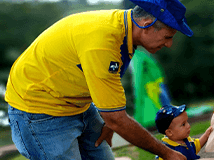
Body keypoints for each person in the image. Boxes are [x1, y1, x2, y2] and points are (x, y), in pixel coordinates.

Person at [6, 0, 194, 159]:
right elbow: (117, 119)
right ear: (145, 23)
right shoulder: (104, 42)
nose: (169, 44)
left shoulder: (124, 30)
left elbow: (108, 91)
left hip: (76, 103)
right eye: (167, 37)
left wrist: (110, 118)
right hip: (40, 111)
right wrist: (168, 153)